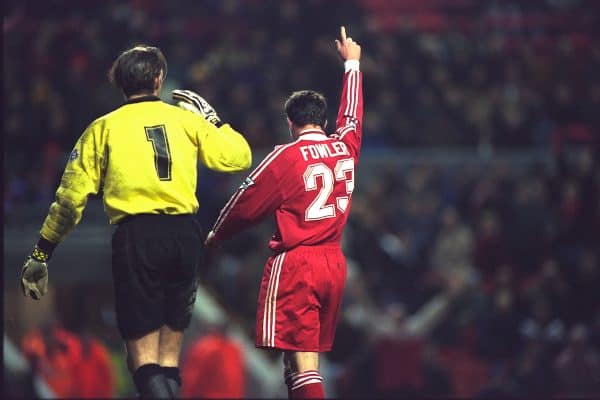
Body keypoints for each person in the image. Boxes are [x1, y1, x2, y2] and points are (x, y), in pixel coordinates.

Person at [19, 44, 252, 398]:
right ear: (159, 79)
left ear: (119, 84)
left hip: (138, 236)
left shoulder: (103, 129)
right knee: (168, 358)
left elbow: (69, 201)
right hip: (186, 235)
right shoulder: (186, 120)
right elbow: (239, 158)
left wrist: (41, 254)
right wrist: (213, 119)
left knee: (143, 361)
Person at [205, 26, 363, 399]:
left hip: (298, 265)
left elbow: (245, 203)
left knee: (302, 364)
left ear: (290, 123)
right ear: (323, 122)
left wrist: (216, 235)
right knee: (300, 366)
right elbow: (353, 115)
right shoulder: (346, 147)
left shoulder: (285, 156)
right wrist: (352, 66)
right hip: (333, 264)